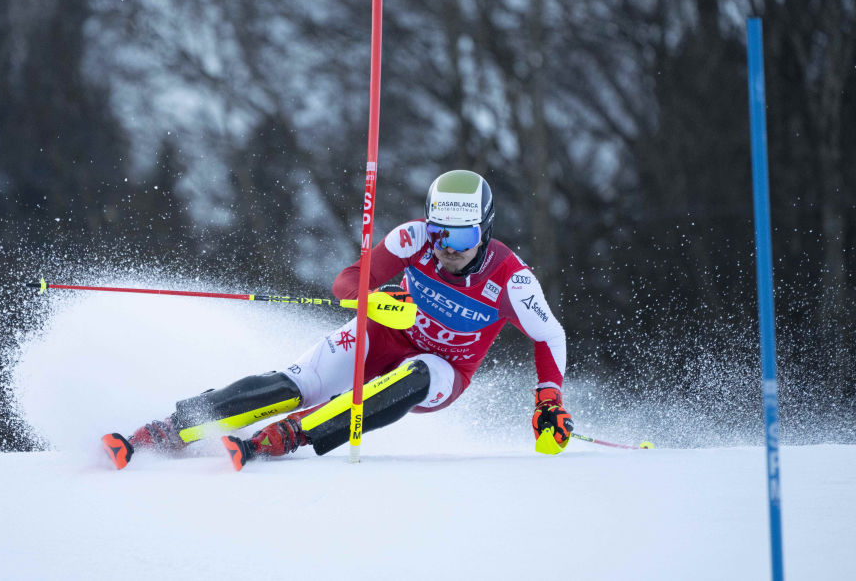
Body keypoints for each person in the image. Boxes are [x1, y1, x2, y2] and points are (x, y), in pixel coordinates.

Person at [102, 170, 572, 471]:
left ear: (484, 229)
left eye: (463, 234)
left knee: (419, 372)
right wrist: (373, 301)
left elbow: (549, 333)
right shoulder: (413, 240)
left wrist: (548, 399)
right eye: (439, 230)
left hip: (442, 373)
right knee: (290, 385)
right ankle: (162, 432)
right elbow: (346, 281)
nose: (448, 245)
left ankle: (287, 437)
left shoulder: (511, 280)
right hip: (382, 336)